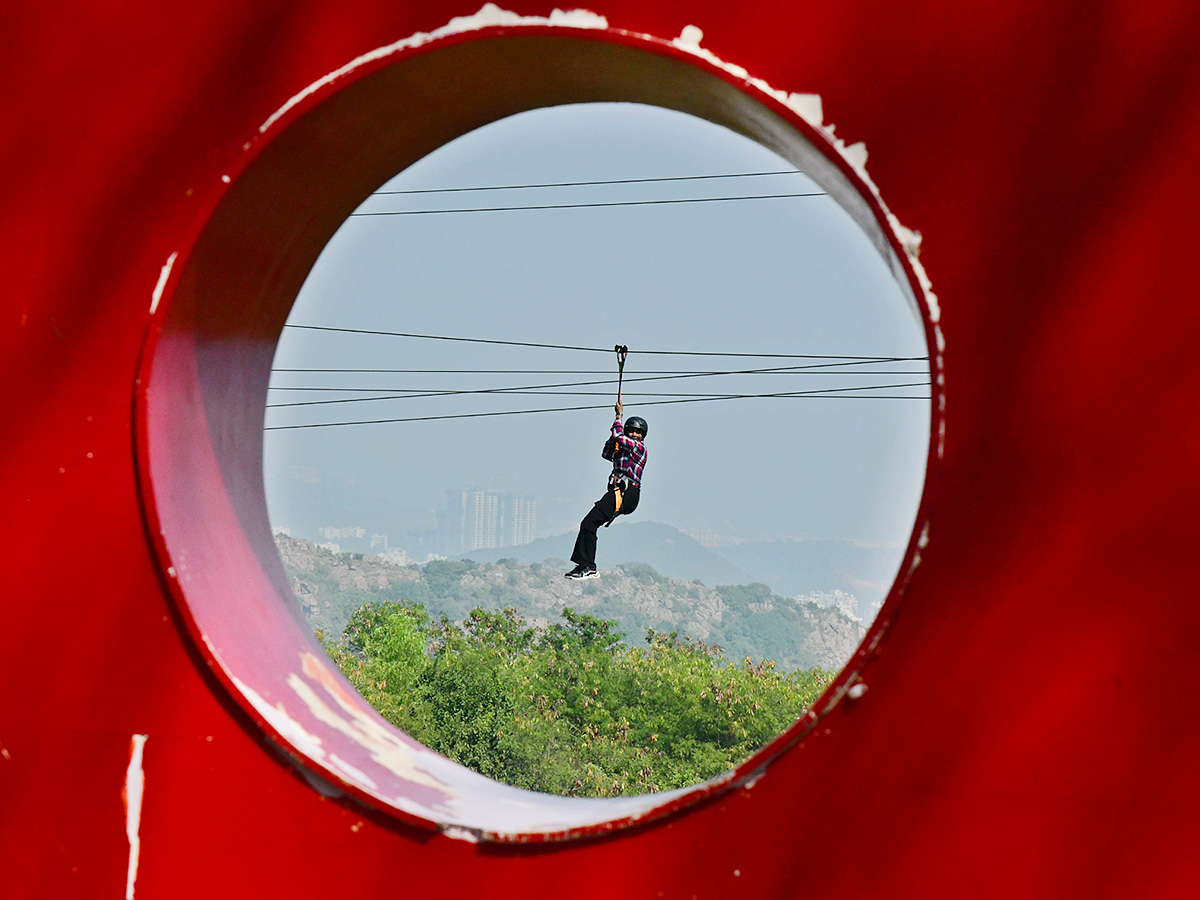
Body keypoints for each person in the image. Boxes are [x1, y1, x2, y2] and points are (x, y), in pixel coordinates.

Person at [565, 400, 647, 579]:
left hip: (627, 493)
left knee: (589, 523)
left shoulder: (639, 448)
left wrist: (618, 416)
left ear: (643, 436)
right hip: (620, 492)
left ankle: (588, 566)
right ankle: (583, 564)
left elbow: (619, 437)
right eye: (631, 431)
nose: (634, 434)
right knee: (587, 524)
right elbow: (606, 453)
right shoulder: (624, 450)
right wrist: (613, 442)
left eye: (638, 432)